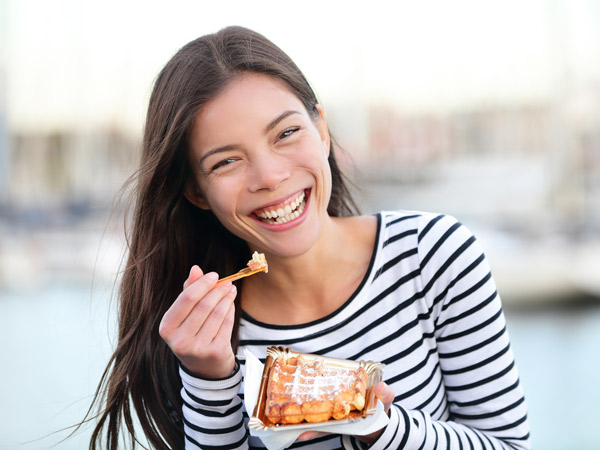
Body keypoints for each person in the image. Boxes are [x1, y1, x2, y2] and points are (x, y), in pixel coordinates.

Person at [86, 26, 531, 449]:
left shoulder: (434, 256)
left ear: (321, 130)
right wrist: (208, 377)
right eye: (226, 162)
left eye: (286, 133)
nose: (271, 176)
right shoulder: (197, 336)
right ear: (195, 191)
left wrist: (378, 426)